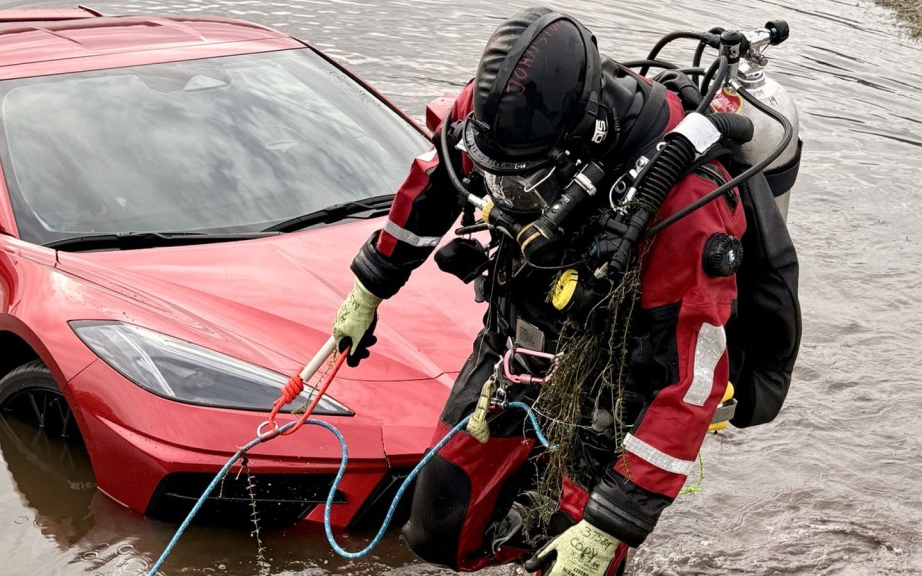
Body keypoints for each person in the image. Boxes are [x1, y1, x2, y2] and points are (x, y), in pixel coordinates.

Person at [331, 7, 801, 576]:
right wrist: (370, 288)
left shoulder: (684, 208)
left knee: (574, 557)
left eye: (519, 178)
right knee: (440, 532)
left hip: (616, 384)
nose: (502, 189)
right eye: (493, 173)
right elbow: (430, 186)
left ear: (576, 147)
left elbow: (687, 381)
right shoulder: (491, 117)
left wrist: (610, 526)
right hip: (517, 345)